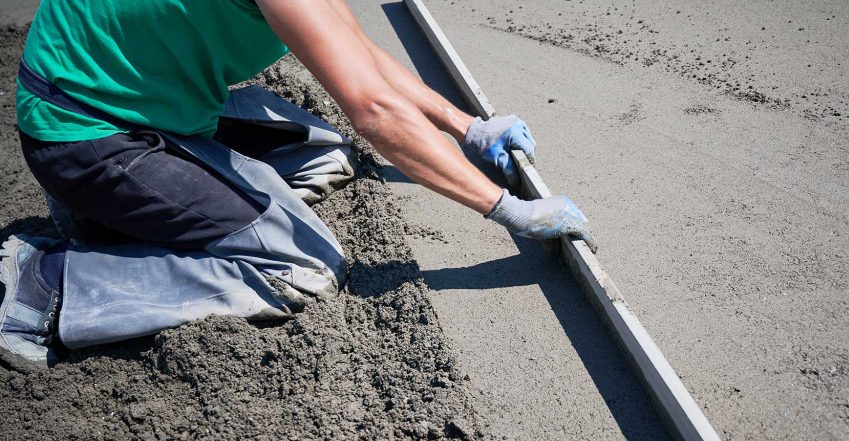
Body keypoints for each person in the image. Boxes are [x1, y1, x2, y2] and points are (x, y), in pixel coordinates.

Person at [1, 0, 595, 371]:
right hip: (85, 131)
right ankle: (45, 284)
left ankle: (122, 213)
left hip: (140, 97)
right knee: (299, 268)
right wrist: (507, 208)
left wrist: (467, 127)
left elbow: (357, 51)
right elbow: (375, 112)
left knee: (323, 154)